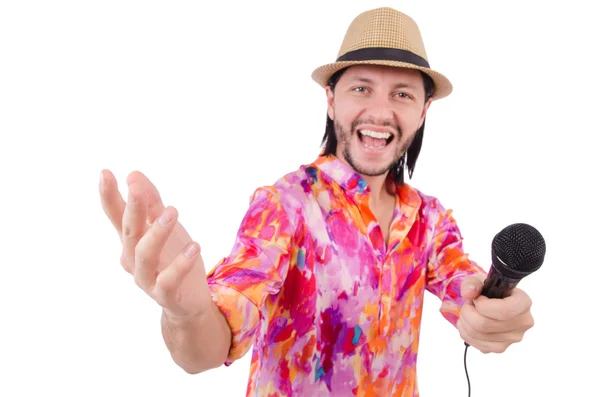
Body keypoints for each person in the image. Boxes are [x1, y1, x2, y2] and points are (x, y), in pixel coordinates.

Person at [99, 7, 534, 396]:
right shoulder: (284, 205)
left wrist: (495, 316)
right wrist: (188, 313)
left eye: (402, 93)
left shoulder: (430, 220)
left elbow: (472, 295)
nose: (380, 112)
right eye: (361, 89)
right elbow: (205, 349)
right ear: (330, 99)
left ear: (423, 111)